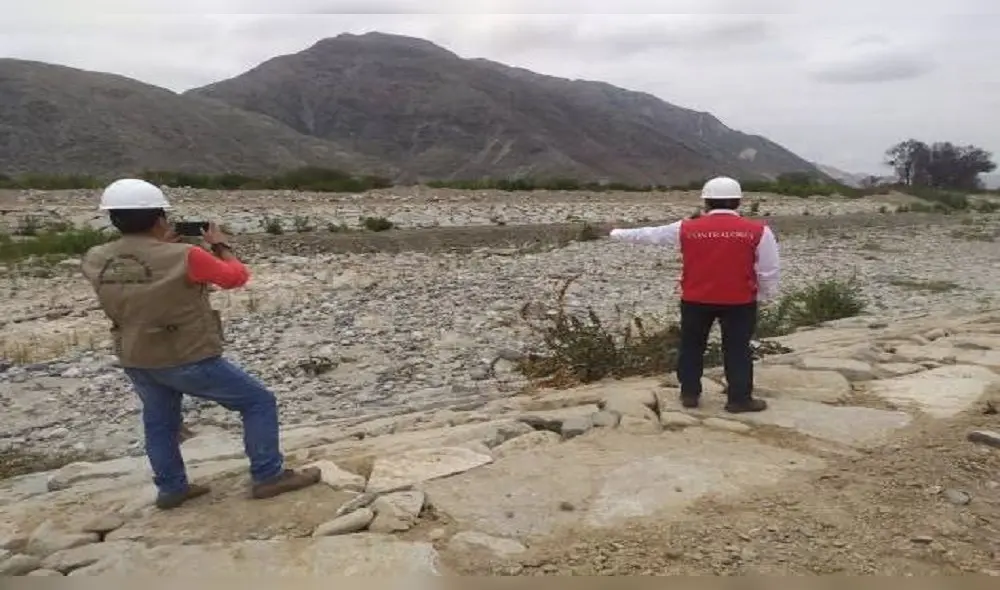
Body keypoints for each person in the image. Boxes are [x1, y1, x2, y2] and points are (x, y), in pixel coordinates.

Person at [81, 178, 320, 510]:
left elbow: (137, 277)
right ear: (160, 218)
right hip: (184, 353)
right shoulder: (186, 254)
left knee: (159, 422)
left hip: (135, 356)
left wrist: (157, 245)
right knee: (258, 402)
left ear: (113, 218)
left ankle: (171, 489)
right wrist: (221, 246)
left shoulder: (95, 257)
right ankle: (269, 475)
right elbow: (235, 277)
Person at [609, 176, 780, 413]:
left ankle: (689, 393)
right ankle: (739, 399)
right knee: (738, 349)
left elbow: (651, 234)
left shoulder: (686, 228)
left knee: (691, 346)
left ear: (706, 202)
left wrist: (617, 233)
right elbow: (769, 270)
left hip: (695, 299)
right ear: (738, 202)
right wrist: (764, 295)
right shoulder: (759, 231)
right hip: (740, 301)